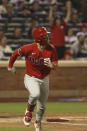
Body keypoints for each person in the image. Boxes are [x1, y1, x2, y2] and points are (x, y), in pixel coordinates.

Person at [8, 27, 58, 131]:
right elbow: (15, 54)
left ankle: (38, 122)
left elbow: (55, 65)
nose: (47, 37)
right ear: (39, 39)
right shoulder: (29, 48)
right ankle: (29, 111)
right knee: (35, 94)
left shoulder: (51, 48)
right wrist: (10, 66)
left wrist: (51, 65)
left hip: (44, 78)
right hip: (31, 77)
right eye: (45, 36)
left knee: (42, 106)